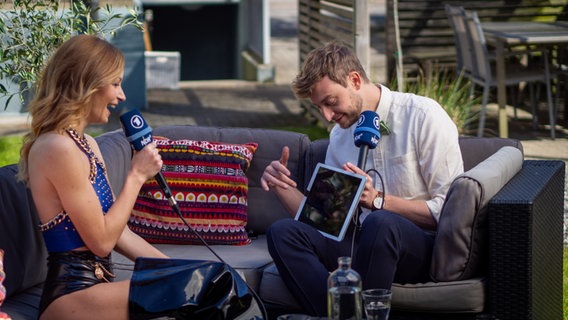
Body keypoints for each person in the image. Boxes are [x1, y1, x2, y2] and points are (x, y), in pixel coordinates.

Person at [260, 41, 464, 316]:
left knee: (381, 223)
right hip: (361, 244)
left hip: (418, 246)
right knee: (283, 232)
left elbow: (451, 213)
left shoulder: (424, 116)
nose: (327, 116)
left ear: (354, 80)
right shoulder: (340, 136)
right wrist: (281, 187)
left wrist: (379, 200)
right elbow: (327, 220)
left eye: (330, 102)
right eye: (319, 107)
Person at [17, 34, 168, 320]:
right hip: (72, 293)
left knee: (208, 279)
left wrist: (179, 269)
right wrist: (136, 175)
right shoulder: (55, 147)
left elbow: (119, 232)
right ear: (86, 84)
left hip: (97, 288)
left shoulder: (88, 144)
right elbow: (100, 242)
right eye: (115, 83)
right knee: (209, 285)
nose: (121, 96)